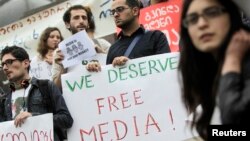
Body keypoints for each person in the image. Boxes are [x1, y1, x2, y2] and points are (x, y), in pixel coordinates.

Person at [178, 0, 250, 140]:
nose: (202, 24)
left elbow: (234, 120)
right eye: (192, 19)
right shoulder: (203, 69)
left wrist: (232, 61)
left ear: (231, 15)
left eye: (212, 13)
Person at [0, 46, 73, 141]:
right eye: (3, 64)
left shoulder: (46, 86)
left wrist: (33, 117)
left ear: (25, 63)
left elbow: (66, 120)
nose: (5, 68)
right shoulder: (4, 100)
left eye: (9, 62)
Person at [87, 0, 170, 71]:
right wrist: (96, 68)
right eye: (113, 12)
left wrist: (132, 65)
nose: (115, 14)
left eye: (120, 9)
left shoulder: (156, 37)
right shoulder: (113, 49)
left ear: (135, 11)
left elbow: (166, 68)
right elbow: (109, 81)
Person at [52, 5, 111, 89]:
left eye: (84, 18)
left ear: (88, 23)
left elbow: (117, 71)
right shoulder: (60, 53)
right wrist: (63, 66)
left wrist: (101, 53)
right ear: (67, 24)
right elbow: (56, 88)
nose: (81, 21)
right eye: (76, 18)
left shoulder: (102, 44)